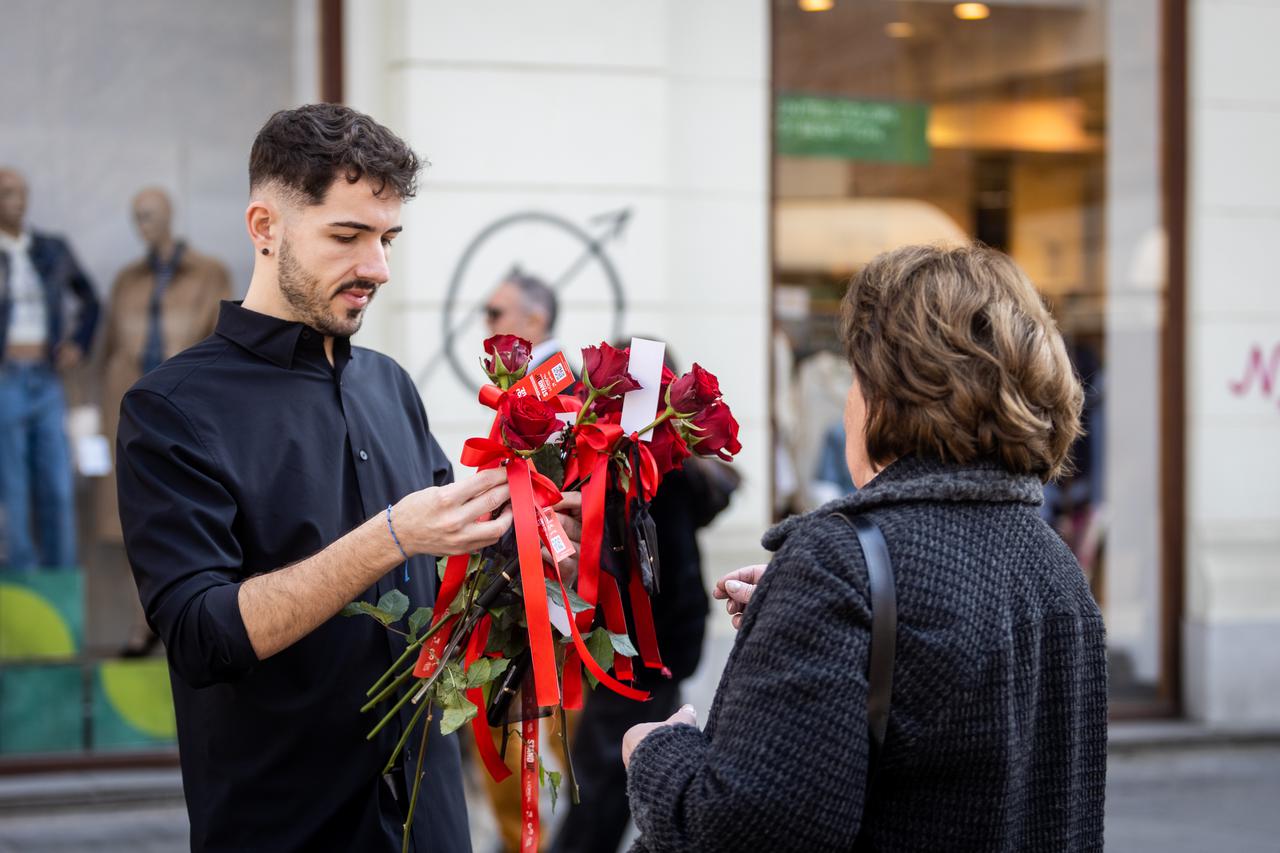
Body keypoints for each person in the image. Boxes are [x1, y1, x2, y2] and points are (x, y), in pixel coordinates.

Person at [116, 104, 578, 853]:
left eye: (387, 238)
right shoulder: (170, 409)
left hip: (429, 824)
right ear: (265, 226)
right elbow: (202, 635)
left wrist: (543, 540)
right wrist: (391, 536)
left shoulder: (391, 385)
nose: (378, 268)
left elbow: (451, 587)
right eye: (347, 236)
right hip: (284, 830)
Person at [622, 244, 1106, 852]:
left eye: (855, 373)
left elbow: (742, 830)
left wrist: (653, 753)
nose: (848, 399)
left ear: (890, 390)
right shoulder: (1052, 562)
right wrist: (791, 611)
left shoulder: (839, 562)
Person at [98, 187, 232, 655]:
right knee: (135, 518)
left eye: (151, 215)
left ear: (170, 215)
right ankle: (143, 626)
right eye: (137, 217)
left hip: (187, 407)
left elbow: (218, 343)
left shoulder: (208, 273)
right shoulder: (126, 282)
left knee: (186, 515)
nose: (144, 225)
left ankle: (176, 624)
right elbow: (109, 349)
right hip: (131, 408)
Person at [0, 167, 99, 570]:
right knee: (14, 489)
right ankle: (25, 595)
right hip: (6, 377)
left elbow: (90, 300)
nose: (17, 201)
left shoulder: (51, 249)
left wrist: (77, 343)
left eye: (21, 192)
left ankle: (60, 593)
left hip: (46, 378)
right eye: (8, 193)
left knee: (57, 487)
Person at [483, 271, 560, 368]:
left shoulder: (565, 381)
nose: (487, 321)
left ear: (533, 322)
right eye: (486, 312)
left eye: (495, 313)